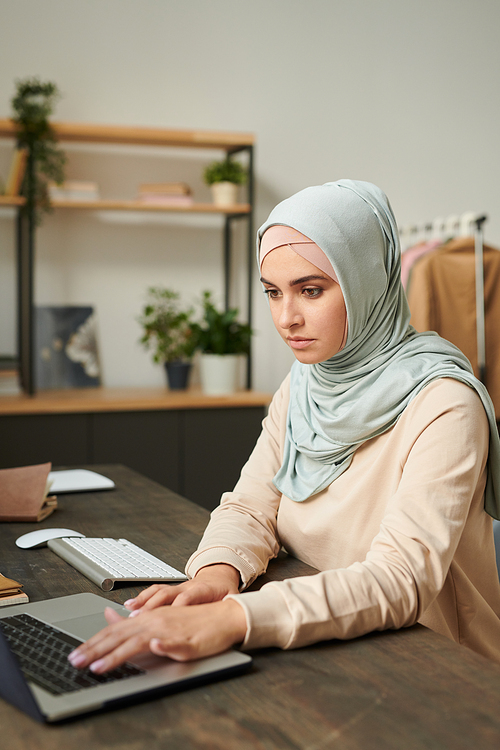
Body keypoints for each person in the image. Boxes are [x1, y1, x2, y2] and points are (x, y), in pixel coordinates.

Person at [68, 179, 500, 675]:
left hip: (439, 668)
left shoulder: (446, 402)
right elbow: (251, 505)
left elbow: (400, 581)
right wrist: (216, 573)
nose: (286, 318)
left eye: (310, 290)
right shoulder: (305, 384)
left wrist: (233, 618)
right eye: (273, 292)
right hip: (324, 643)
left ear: (367, 282)